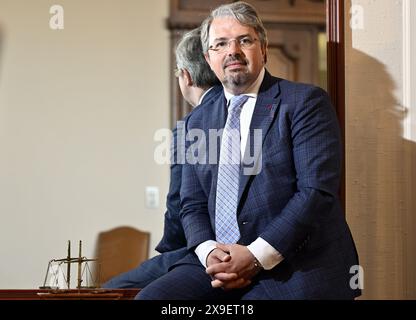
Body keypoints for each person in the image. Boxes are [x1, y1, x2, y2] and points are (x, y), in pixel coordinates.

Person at [136, 1, 361, 300]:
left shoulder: (304, 103)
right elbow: (192, 204)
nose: (233, 51)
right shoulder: (195, 123)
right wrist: (208, 252)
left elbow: (315, 193)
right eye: (220, 44)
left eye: (244, 40)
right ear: (209, 57)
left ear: (263, 48)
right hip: (216, 262)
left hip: (292, 264)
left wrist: (254, 256)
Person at [102, 28, 221, 289]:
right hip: (248, 248)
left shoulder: (190, 125)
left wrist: (168, 252)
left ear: (186, 76)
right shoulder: (242, 110)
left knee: (111, 290)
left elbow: (179, 202)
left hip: (202, 252)